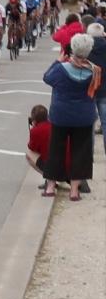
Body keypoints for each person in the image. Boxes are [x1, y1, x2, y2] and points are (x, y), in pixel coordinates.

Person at [42, 36, 100, 200]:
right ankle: (74, 191)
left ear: (72, 49)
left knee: (55, 150)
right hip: (84, 116)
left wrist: (57, 61)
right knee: (80, 152)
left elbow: (47, 78)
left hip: (61, 114)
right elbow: (96, 90)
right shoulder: (94, 71)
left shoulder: (61, 69)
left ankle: (51, 187)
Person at [27, 103, 53, 195]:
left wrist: (32, 130)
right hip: (64, 163)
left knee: (29, 155)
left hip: (52, 166)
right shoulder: (54, 125)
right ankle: (51, 180)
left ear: (34, 120)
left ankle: (49, 179)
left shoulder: (35, 131)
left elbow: (32, 148)